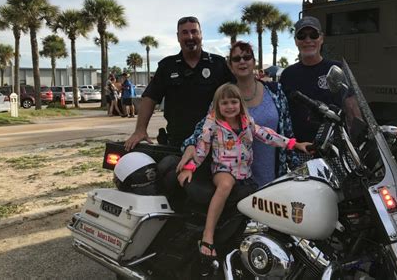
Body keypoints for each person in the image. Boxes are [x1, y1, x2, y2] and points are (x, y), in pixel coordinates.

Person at [176, 83, 310, 258]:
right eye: (224, 103)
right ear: (218, 105)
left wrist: (294, 144)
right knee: (225, 185)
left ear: (240, 104)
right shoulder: (213, 123)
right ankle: (207, 235)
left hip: (245, 173)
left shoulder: (247, 122)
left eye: (233, 102)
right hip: (223, 169)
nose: (230, 106)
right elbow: (202, 147)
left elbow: (267, 135)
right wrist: (189, 167)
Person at [182, 41, 301, 187]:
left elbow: (287, 131)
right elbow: (204, 128)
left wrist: (296, 165)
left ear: (254, 62)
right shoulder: (224, 98)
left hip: (273, 179)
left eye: (247, 57)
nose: (242, 61)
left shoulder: (275, 92)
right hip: (238, 183)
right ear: (230, 66)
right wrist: (190, 145)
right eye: (237, 59)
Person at [124, 16, 232, 150]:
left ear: (201, 34)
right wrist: (140, 130)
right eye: (185, 32)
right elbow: (150, 98)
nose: (190, 36)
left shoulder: (218, 64)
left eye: (194, 31)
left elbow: (238, 94)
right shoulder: (167, 66)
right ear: (178, 37)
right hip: (177, 143)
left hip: (216, 143)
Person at [280, 16, 360, 142]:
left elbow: (352, 109)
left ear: (321, 38)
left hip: (335, 149)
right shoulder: (288, 74)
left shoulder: (337, 68)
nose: (308, 40)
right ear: (296, 41)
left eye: (313, 35)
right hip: (301, 149)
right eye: (302, 36)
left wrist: (358, 141)